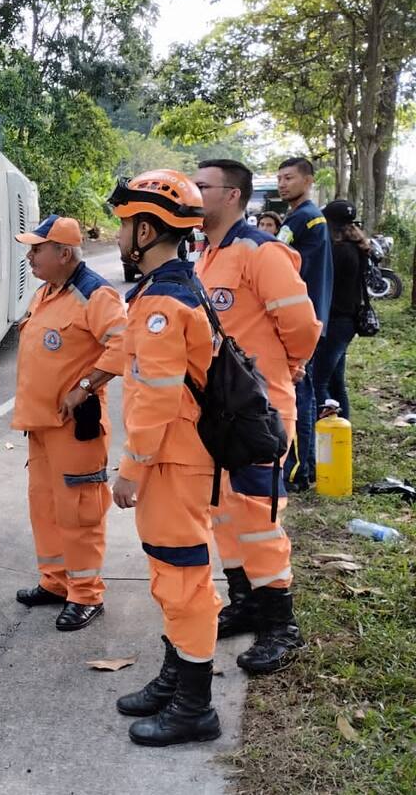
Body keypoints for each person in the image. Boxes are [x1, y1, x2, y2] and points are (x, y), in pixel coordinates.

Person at [107, 170, 222, 747]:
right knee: (168, 573)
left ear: (147, 229)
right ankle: (177, 677)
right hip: (175, 458)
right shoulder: (174, 287)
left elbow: (155, 395)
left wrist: (130, 470)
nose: (119, 232)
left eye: (126, 223)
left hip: (173, 461)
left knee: (184, 581)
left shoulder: (163, 304)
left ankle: (195, 706)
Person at [193, 158, 321, 675]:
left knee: (260, 516)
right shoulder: (206, 254)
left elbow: (303, 325)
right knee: (223, 510)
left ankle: (279, 624)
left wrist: (289, 367)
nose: (191, 193)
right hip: (218, 413)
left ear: (232, 196)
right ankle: (244, 600)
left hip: (260, 414)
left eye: (201, 186)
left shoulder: (260, 252)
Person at [10, 215, 127, 632]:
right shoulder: (46, 293)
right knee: (44, 506)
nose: (30, 256)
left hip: (75, 427)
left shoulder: (95, 294)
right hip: (40, 424)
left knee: (80, 512)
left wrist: (85, 385)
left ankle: (86, 594)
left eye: (37, 249)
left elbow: (123, 343)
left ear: (63, 252)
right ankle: (56, 582)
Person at [276, 157, 333, 491]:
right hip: (309, 318)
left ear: (308, 181)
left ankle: (298, 471)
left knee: (300, 395)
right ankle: (303, 467)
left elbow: (281, 263)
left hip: (302, 322)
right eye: (280, 178)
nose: (283, 184)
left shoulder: (306, 219)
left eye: (290, 178)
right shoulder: (299, 217)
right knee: (305, 392)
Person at [312, 200, 370, 419]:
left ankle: (325, 432)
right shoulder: (357, 247)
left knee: (318, 381)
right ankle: (343, 427)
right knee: (336, 380)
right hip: (348, 321)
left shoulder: (338, 251)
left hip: (336, 322)